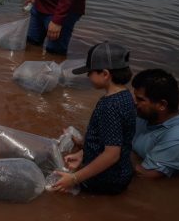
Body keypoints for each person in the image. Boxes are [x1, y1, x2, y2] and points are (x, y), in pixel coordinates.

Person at [51, 42, 136, 194]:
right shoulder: (126, 97)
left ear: (105, 74)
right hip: (120, 173)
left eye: (90, 72)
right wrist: (82, 155)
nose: (88, 76)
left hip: (106, 179)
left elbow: (111, 155)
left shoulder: (110, 106)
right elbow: (112, 139)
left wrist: (74, 178)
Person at [131, 69, 179, 178]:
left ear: (162, 104)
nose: (134, 102)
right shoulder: (147, 113)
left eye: (140, 99)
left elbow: (145, 175)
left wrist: (111, 156)